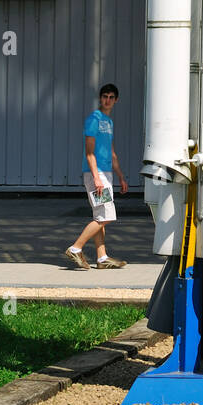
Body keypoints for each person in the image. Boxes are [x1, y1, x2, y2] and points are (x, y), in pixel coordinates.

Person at [64, 83, 128, 270]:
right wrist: (97, 178)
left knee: (100, 215)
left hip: (106, 173)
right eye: (104, 96)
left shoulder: (109, 122)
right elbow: (89, 152)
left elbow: (112, 153)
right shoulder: (93, 119)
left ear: (115, 100)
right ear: (100, 98)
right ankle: (76, 248)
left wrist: (121, 176)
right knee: (106, 214)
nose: (107, 100)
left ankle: (102, 258)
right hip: (96, 173)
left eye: (111, 97)